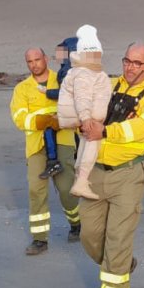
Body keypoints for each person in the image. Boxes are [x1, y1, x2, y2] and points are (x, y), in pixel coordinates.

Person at [78, 42, 144, 288]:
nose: (130, 67)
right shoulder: (108, 84)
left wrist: (105, 132)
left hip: (128, 175)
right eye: (127, 61)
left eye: (137, 63)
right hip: (94, 172)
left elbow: (143, 127)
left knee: (118, 237)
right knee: (90, 236)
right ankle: (124, 264)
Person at [9, 47, 81, 256]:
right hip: (36, 145)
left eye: (37, 60)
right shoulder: (22, 88)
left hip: (63, 140)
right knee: (36, 190)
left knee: (67, 188)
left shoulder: (62, 80)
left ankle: (76, 224)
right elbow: (19, 118)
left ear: (46, 59)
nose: (34, 65)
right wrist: (43, 121)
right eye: (29, 62)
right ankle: (40, 239)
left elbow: (77, 105)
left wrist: (63, 121)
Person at [56, 25, 112, 200]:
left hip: (86, 116)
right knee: (92, 143)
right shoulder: (85, 72)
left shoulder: (84, 70)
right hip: (90, 117)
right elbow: (83, 96)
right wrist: (86, 116)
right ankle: (82, 180)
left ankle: (80, 179)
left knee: (84, 143)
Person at [38, 35, 78, 180]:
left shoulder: (67, 71)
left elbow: (65, 93)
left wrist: (47, 92)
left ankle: (53, 162)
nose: (57, 56)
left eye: (60, 52)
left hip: (73, 111)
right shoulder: (82, 69)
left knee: (49, 128)